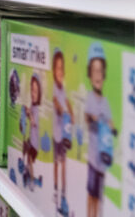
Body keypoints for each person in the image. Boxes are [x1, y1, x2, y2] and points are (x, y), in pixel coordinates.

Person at [84, 43, 117, 217]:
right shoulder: (89, 98)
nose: (97, 75)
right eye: (94, 71)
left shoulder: (105, 102)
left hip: (102, 161)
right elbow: (86, 116)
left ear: (104, 75)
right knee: (91, 193)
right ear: (90, 74)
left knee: (99, 196)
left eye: (100, 71)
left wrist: (113, 128)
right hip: (92, 159)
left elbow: (110, 119)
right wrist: (92, 118)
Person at [52, 49, 74, 212]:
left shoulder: (63, 88)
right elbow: (56, 102)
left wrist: (71, 113)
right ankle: (55, 190)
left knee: (64, 164)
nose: (60, 71)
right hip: (56, 134)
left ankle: (64, 194)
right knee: (56, 164)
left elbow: (66, 100)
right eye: (57, 68)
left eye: (62, 68)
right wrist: (61, 109)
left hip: (64, 133)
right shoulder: (54, 87)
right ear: (54, 71)